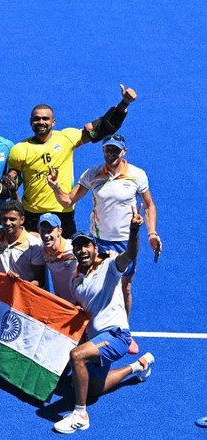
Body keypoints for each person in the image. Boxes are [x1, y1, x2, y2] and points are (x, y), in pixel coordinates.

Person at [47, 134, 161, 353]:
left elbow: (149, 205)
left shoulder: (137, 175)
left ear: (124, 152)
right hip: (97, 242)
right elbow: (68, 200)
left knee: (125, 287)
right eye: (108, 149)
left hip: (125, 242)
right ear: (103, 151)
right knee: (92, 284)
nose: (111, 153)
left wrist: (152, 233)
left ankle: (124, 332)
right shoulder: (92, 174)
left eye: (116, 150)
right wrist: (55, 187)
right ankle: (89, 329)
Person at [52, 215, 155, 434]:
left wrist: (134, 231)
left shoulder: (110, 266)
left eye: (86, 246)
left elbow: (130, 254)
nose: (82, 250)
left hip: (116, 336)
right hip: (97, 340)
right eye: (78, 247)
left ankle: (80, 415)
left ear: (95, 248)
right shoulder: (75, 282)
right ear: (74, 251)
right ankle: (139, 366)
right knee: (93, 390)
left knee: (77, 356)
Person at [6, 85, 137, 238]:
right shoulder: (19, 149)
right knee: (33, 253)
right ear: (30, 122)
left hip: (63, 212)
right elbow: (14, 180)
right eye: (37, 119)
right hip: (32, 214)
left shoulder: (66, 137)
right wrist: (8, 182)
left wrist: (124, 104)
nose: (41, 122)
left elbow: (103, 129)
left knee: (66, 253)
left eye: (45, 119)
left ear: (53, 122)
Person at [37, 213, 77, 301]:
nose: (46, 235)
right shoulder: (41, 248)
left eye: (50, 231)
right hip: (61, 302)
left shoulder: (73, 249)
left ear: (59, 231)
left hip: (81, 303)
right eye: (43, 231)